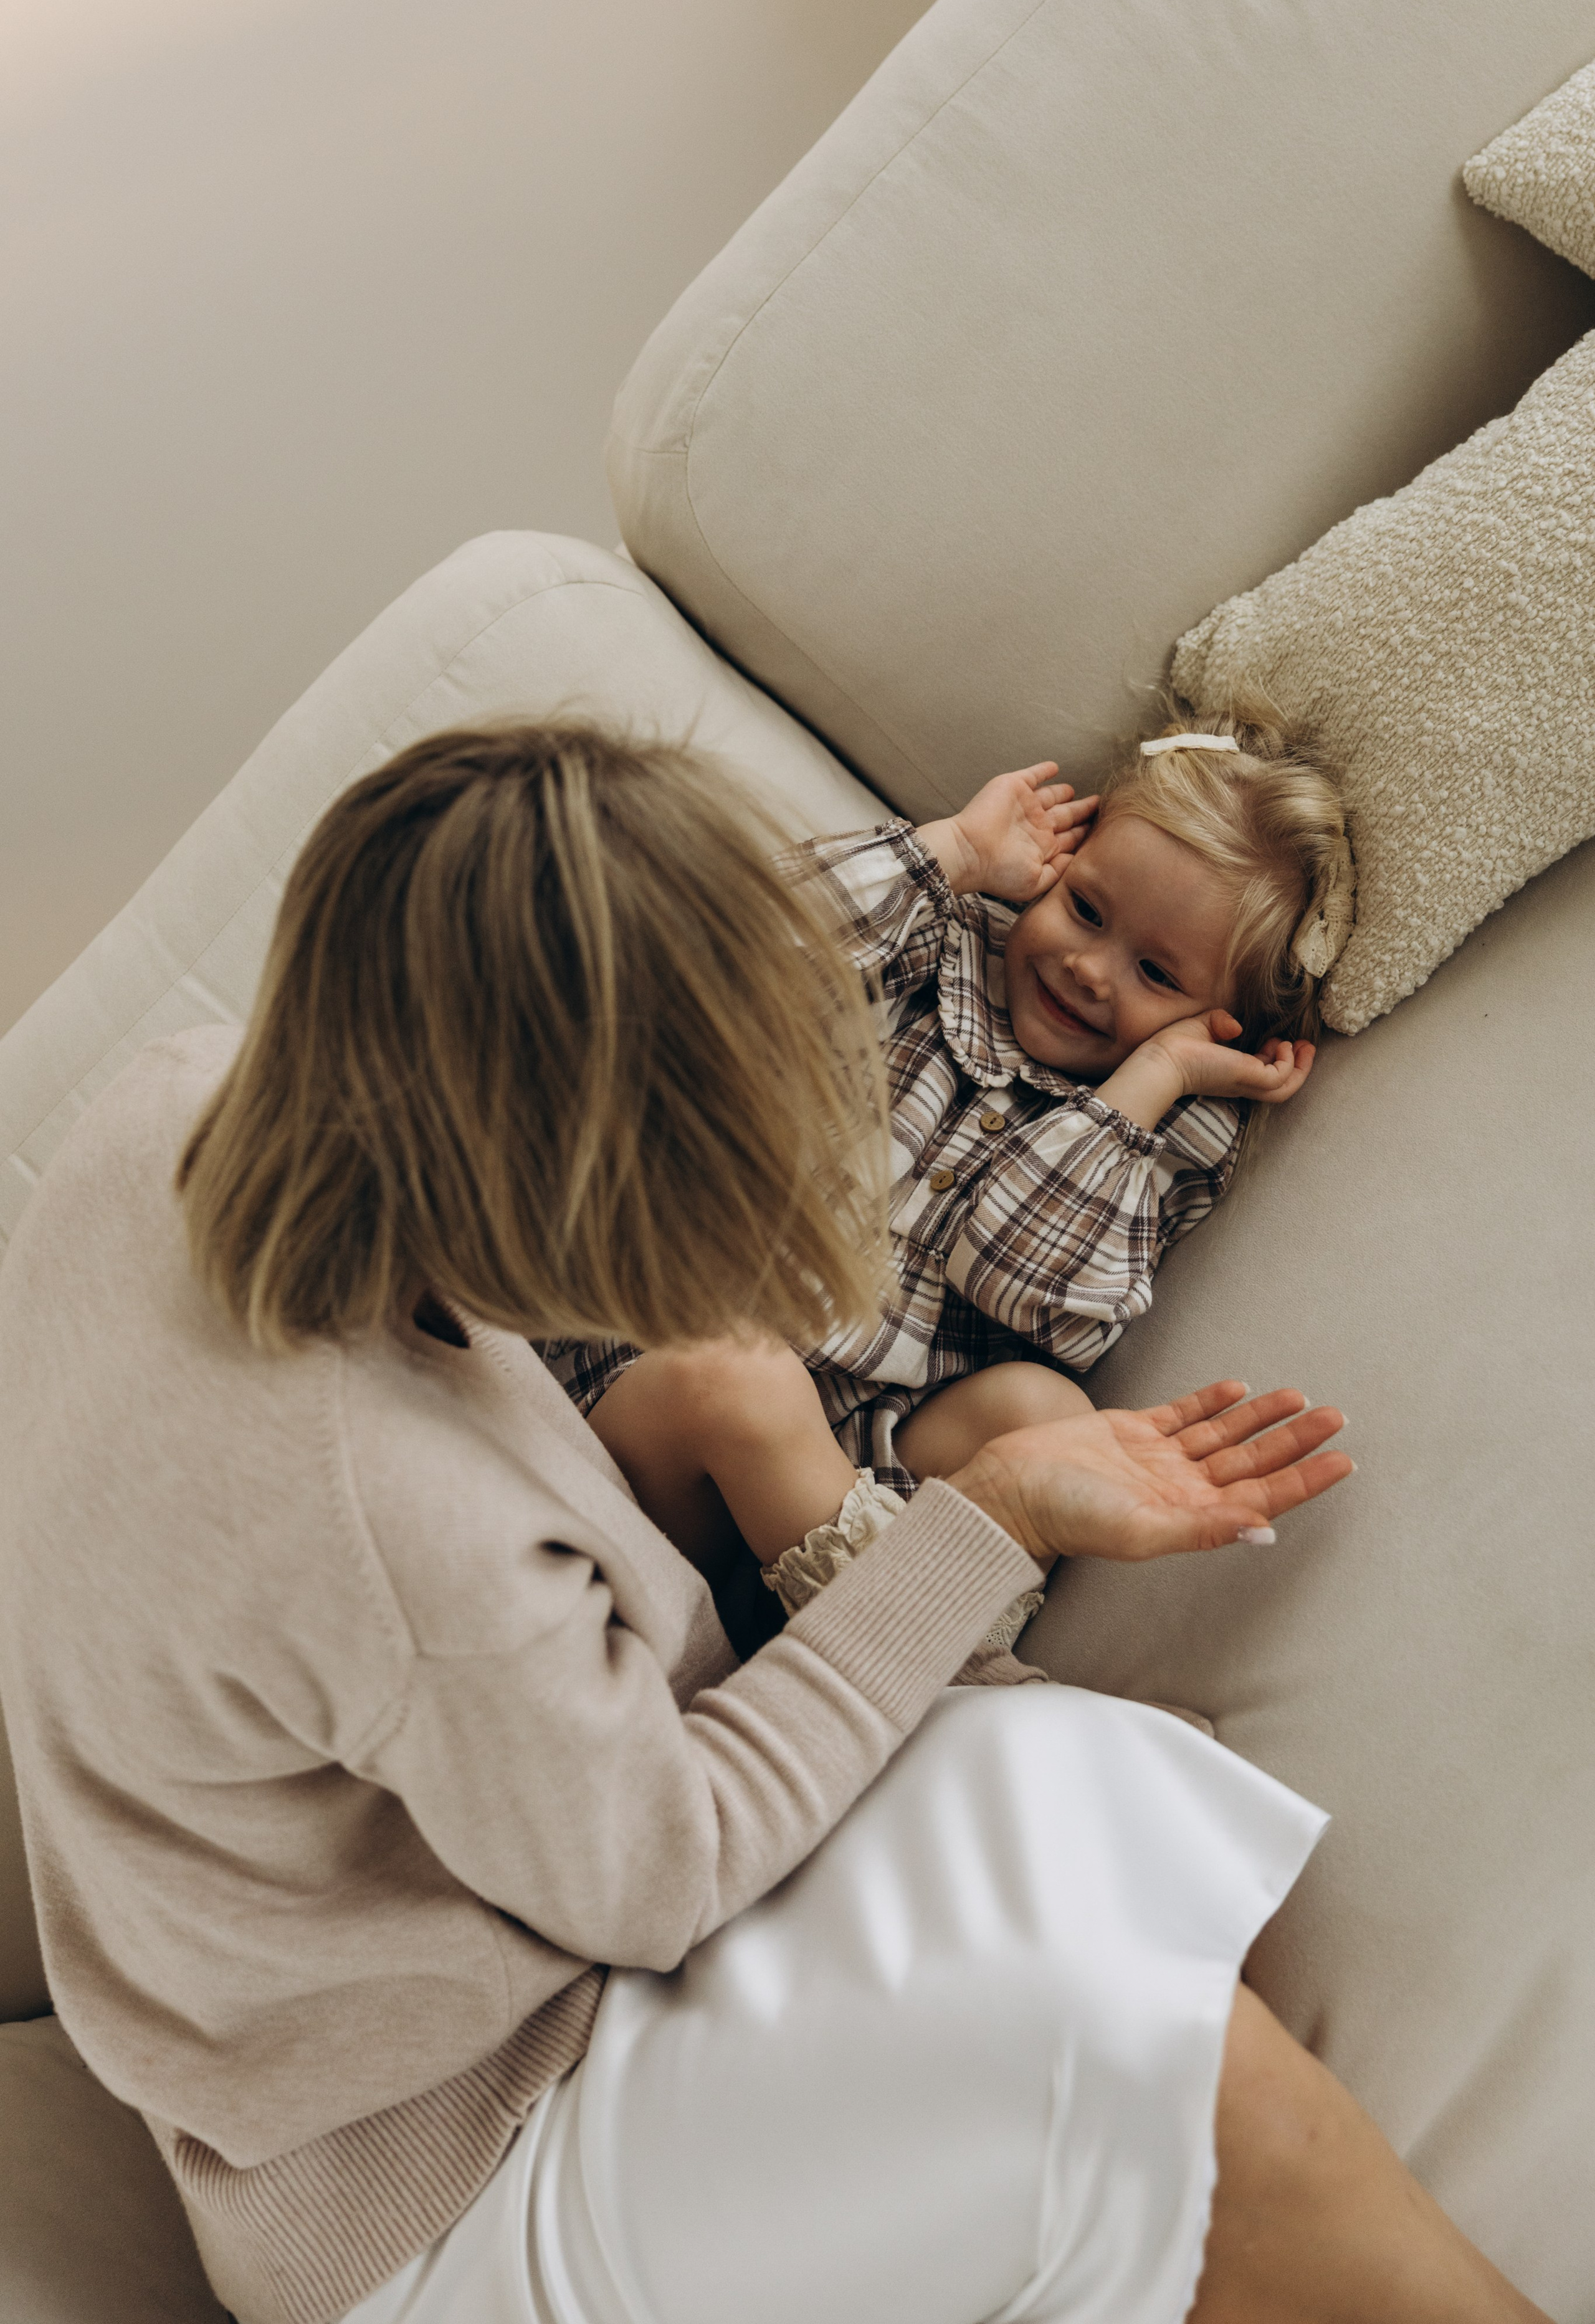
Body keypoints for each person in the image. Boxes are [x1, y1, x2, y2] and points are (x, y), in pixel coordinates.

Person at [0, 724, 1546, 2324]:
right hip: (433, 2170)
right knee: (1196, 2092)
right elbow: (660, 1872)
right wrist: (990, 1515)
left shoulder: (177, 1104)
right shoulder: (409, 1533)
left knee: (1127, 1831)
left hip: (506, 1922)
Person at [541, 701, 1355, 1666]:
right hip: (646, 1382)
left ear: (1223, 1026)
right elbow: (740, 962)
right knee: (745, 1376)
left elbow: (1017, 1279)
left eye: (1156, 973)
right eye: (1086, 908)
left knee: (1043, 1417)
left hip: (829, 1487)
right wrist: (952, 853)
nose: (1091, 969)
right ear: (1061, 859)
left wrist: (1149, 1085)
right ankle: (928, 1671)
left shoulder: (1161, 1133)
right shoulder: (934, 945)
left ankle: (845, 1633)